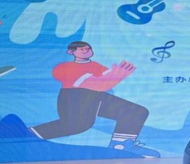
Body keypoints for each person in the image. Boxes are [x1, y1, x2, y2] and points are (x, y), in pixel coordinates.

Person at [29, 41, 159, 157]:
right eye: (82, 49)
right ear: (71, 52)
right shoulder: (64, 67)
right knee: (77, 125)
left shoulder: (96, 65)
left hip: (95, 96)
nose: (86, 50)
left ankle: (121, 146)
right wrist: (116, 75)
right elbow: (93, 83)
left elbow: (105, 82)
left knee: (135, 112)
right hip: (74, 97)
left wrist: (116, 74)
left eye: (88, 48)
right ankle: (30, 135)